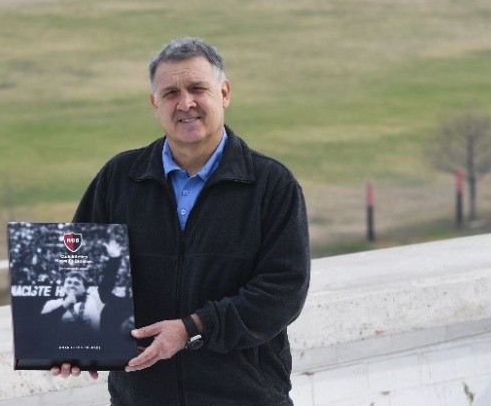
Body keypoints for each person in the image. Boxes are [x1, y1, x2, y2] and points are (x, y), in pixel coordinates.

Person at [52, 37, 311, 405]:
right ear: (154, 104)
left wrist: (191, 328)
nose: (185, 103)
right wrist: (73, 340)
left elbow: (282, 292)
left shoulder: (272, 186)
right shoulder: (119, 178)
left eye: (197, 89)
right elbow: (77, 266)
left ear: (224, 93)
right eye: (171, 93)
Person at [41, 271, 101, 343]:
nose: (72, 286)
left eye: (76, 283)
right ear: (64, 286)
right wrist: (63, 306)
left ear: (85, 289)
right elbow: (42, 325)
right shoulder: (52, 303)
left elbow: (107, 283)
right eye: (69, 282)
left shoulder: (93, 300)